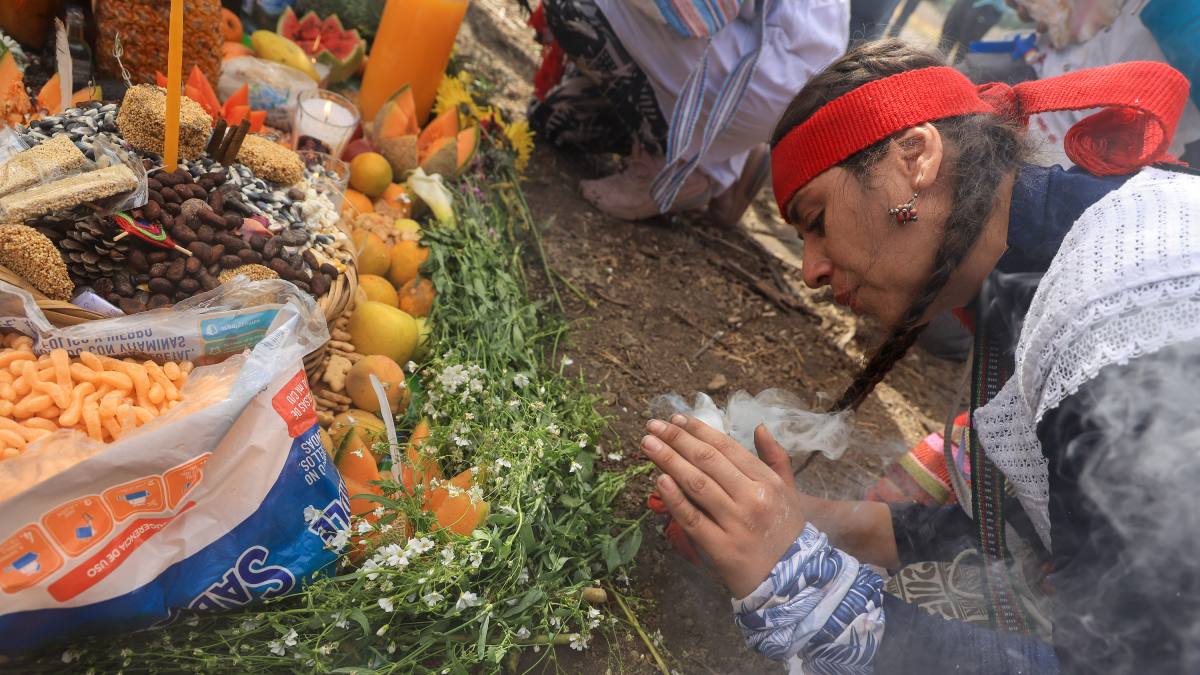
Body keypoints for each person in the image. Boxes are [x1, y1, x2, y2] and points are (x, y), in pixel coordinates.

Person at [639, 39, 1200, 673]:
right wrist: (810, 525)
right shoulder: (1040, 269)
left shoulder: (1123, 327)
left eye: (817, 220)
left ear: (916, 157)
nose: (810, 271)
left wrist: (810, 593)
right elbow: (1040, 522)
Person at [527, 0, 848, 226]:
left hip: (765, 72)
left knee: (572, 8)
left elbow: (693, 13)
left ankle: (672, 168)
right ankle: (727, 160)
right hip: (788, 72)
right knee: (555, 120)